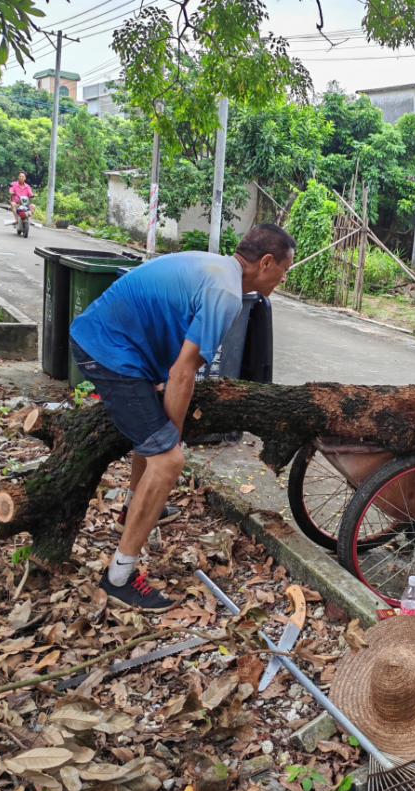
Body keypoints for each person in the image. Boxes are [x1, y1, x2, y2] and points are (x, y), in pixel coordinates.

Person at [68, 224, 296, 611]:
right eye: (284, 270)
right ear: (266, 262)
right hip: (107, 349)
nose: (283, 278)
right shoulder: (226, 293)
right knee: (169, 457)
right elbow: (183, 373)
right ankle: (119, 576)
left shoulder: (217, 270)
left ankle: (133, 507)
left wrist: (164, 433)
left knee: (158, 442)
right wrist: (171, 442)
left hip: (111, 341)